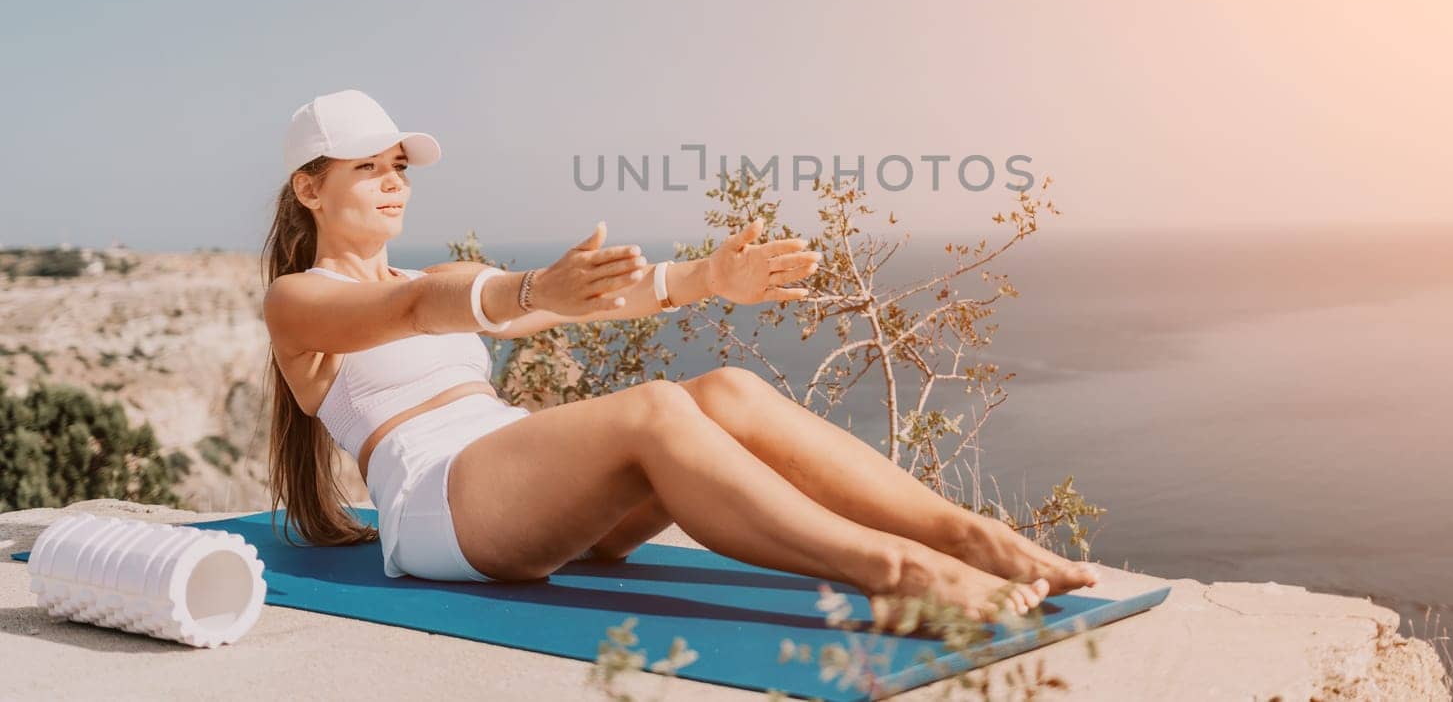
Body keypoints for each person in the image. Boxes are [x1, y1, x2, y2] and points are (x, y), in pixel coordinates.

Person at [260, 89, 1096, 629]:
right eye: (368, 169)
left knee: (724, 389)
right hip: (441, 507)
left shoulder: (438, 274)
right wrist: (528, 288)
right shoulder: (297, 301)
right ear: (310, 190)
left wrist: (705, 276)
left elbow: (573, 298)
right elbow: (413, 310)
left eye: (398, 167)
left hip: (521, 494)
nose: (394, 182)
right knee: (657, 407)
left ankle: (969, 534)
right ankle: (899, 569)